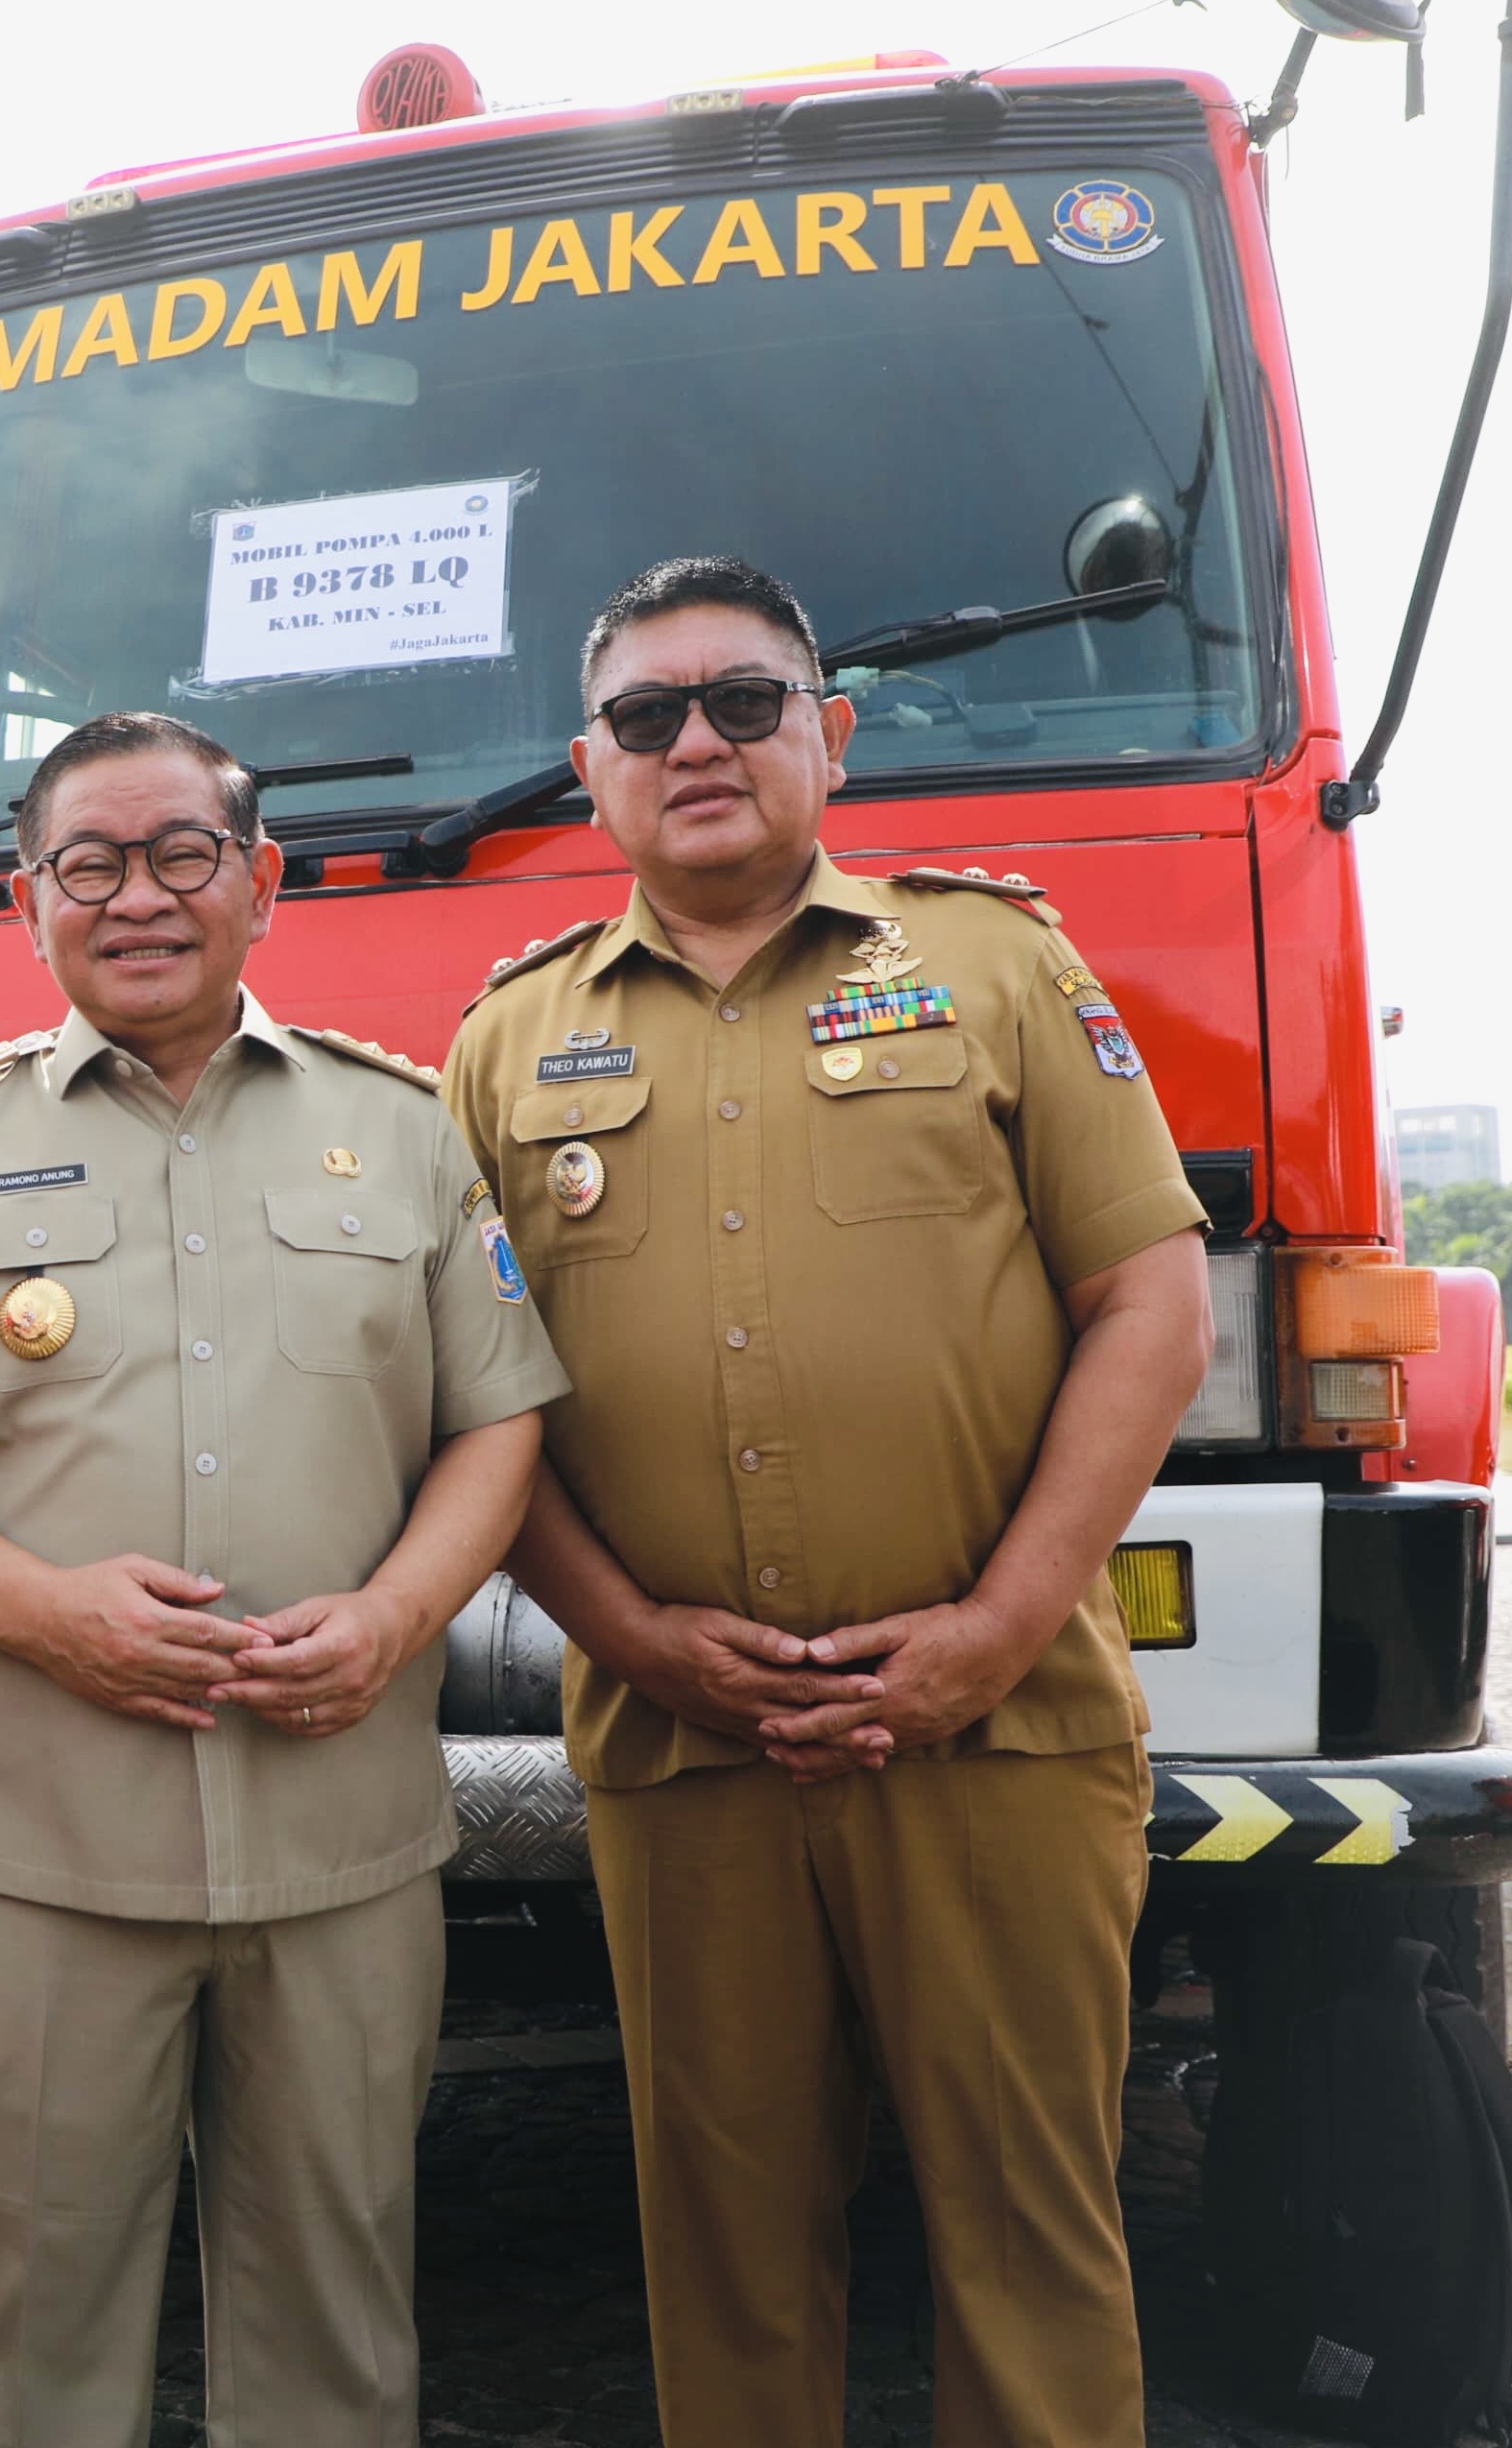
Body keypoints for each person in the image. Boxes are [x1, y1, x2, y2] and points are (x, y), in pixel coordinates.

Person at [444, 556, 1216, 2447]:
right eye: (644, 716)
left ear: (829, 733)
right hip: (683, 1746)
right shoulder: (503, 1042)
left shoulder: (997, 963)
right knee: (723, 2243)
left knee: (1028, 2229)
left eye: (742, 700)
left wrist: (995, 1626)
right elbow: (475, 1400)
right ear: (588, 766)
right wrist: (629, 1638)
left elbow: (1151, 1305)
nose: (694, 741)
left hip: (1000, 1728)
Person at [0, 711, 565, 2448]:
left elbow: (497, 1425)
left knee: (336, 2312)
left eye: (180, 854)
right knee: (29, 2326)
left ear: (261, 880)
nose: (135, 897)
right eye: (89, 865)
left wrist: (388, 1619)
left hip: (340, 1832)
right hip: (43, 1845)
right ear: (29, 897)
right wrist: (39, 1613)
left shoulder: (408, 1129)